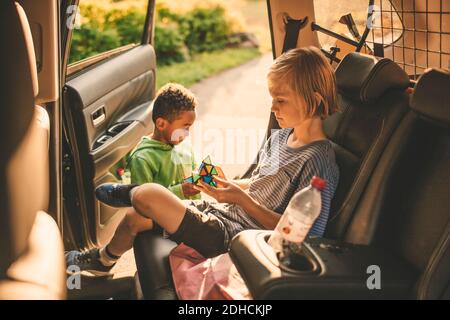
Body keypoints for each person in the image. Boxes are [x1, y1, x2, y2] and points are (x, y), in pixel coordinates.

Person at [95, 46, 340, 260]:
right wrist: (227, 185)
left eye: (281, 100)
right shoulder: (282, 137)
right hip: (221, 216)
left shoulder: (318, 159)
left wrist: (241, 199)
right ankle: (102, 261)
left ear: (314, 100)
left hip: (235, 238)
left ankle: (129, 192)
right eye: (272, 98)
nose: (273, 107)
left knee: (149, 195)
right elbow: (259, 185)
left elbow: (301, 235)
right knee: (134, 218)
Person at [65, 83, 201, 275]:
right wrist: (181, 190)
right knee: (133, 218)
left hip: (192, 213)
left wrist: (202, 180)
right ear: (161, 124)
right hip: (167, 219)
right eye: (185, 127)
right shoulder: (143, 158)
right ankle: (104, 259)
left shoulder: (184, 148)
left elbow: (192, 173)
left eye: (190, 127)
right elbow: (144, 203)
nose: (187, 134)